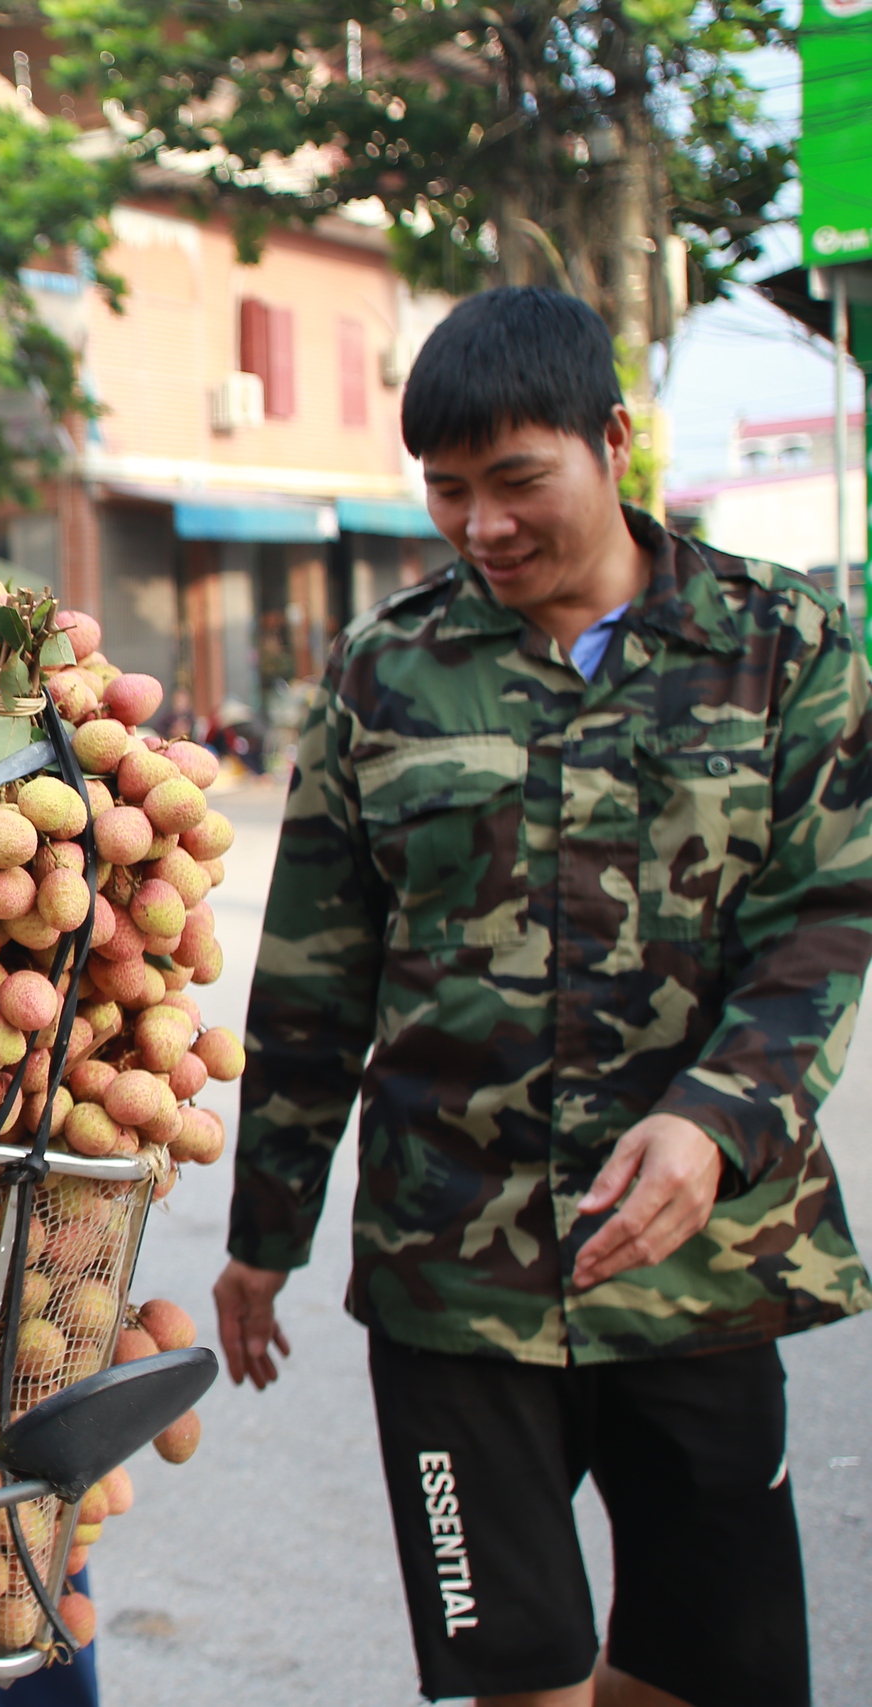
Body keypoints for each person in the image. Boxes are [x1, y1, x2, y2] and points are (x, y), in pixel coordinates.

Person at [218, 287, 871, 1707]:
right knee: (517, 1673)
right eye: (448, 491)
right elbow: (317, 976)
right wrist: (263, 1230)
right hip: (454, 1272)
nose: (482, 527)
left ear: (614, 442)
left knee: (712, 1670)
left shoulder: (784, 647)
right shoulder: (386, 672)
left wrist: (715, 1117)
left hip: (702, 1263)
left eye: (519, 480)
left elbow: (824, 916)